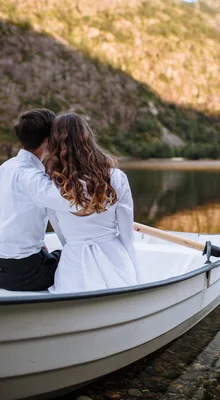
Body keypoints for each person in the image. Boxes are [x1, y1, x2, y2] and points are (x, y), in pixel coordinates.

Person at [44, 113, 142, 293]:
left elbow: (63, 237)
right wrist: (135, 271)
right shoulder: (116, 177)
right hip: (114, 260)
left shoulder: (50, 185)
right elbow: (127, 236)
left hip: (73, 269)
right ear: (88, 137)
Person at [0, 109, 71, 291]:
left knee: (50, 253)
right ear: (47, 141)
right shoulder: (34, 178)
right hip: (23, 275)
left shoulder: (4, 168)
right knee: (78, 259)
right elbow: (69, 203)